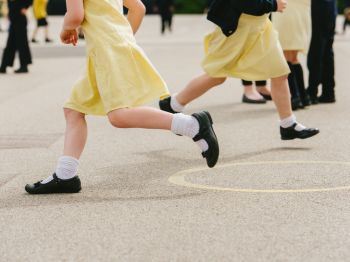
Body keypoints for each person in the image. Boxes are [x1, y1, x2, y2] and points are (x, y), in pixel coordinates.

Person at [24, 0, 219, 194]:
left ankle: (192, 125)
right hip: (111, 48)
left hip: (105, 51)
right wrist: (123, 39)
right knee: (74, 109)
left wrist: (66, 29)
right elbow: (138, 8)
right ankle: (66, 175)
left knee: (119, 116)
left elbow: (75, 16)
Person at [159, 0, 319, 141]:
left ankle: (288, 124)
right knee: (216, 76)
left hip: (260, 27)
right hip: (236, 28)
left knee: (280, 72)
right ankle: (173, 104)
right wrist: (273, 4)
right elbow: (245, 3)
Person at [273, 0, 311, 110]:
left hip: (287, 9)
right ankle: (303, 96)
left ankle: (295, 97)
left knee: (286, 55)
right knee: (293, 57)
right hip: (302, 11)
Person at [307, 0, 337, 104]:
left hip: (320, 5)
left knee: (317, 47)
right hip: (330, 6)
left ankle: (312, 92)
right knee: (327, 48)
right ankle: (328, 91)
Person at [0, 0, 32, 74]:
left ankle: (23, 66)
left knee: (21, 42)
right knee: (10, 43)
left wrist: (25, 7)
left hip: (20, 18)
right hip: (14, 17)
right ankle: (4, 66)